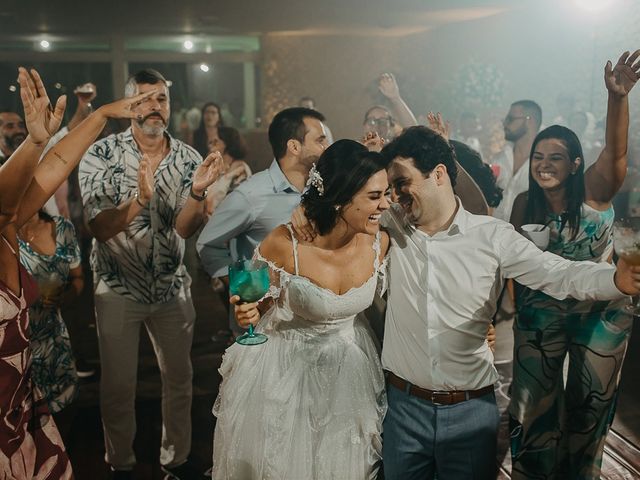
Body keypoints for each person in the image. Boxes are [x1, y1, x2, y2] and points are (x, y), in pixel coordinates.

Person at [376, 125, 640, 479]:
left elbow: (557, 273)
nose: (395, 194)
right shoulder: (388, 227)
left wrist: (615, 281)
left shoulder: (492, 237)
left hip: (469, 413)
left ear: (438, 174)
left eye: (402, 182)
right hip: (403, 410)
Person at [0, 66, 147, 480]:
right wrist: (34, 141)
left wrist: (98, 115)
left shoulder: (9, 227)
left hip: (23, 412)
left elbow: (55, 166)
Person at [212, 139, 391, 479]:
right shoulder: (284, 244)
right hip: (286, 376)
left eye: (385, 193)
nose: (385, 204)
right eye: (374, 197)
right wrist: (245, 312)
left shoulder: (381, 241)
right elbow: (254, 301)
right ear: (339, 198)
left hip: (351, 373)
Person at [78, 69, 224, 479]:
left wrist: (197, 194)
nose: (154, 107)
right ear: (128, 107)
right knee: (118, 387)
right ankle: (120, 463)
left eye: (161, 99)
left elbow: (184, 229)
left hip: (172, 289)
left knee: (180, 380)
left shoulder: (188, 159)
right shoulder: (100, 155)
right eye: (143, 99)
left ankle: (175, 460)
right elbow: (100, 228)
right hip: (117, 288)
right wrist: (138, 201)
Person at [508, 50, 640, 480]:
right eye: (538, 158)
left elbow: (616, 149)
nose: (544, 165)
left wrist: (617, 98)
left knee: (590, 405)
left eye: (556, 157)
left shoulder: (596, 189)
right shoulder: (525, 203)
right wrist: (512, 309)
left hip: (600, 312)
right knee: (530, 409)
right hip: (541, 310)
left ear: (576, 164)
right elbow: (512, 262)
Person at [197, 107, 329, 342]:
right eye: (320, 140)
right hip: (264, 327)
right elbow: (207, 244)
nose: (326, 146)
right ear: (294, 146)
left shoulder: (321, 190)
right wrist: (241, 288)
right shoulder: (251, 195)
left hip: (311, 323)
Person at [18, 209, 83, 415]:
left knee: (63, 411)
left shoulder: (62, 228)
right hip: (20, 344)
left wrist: (64, 297)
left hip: (54, 340)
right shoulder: (5, 234)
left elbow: (78, 279)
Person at [492, 99, 542, 221]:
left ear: (529, 121)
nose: (505, 124)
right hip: (492, 232)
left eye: (511, 119)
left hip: (525, 236)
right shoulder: (499, 157)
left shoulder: (544, 163)